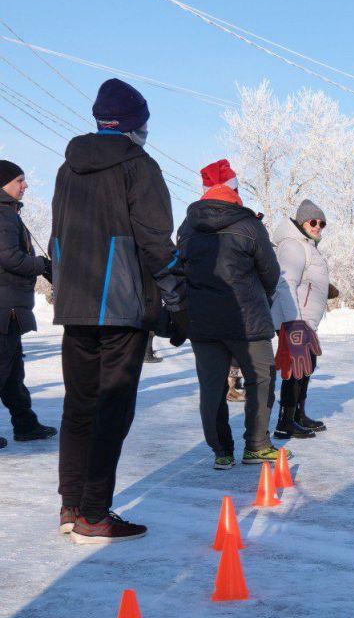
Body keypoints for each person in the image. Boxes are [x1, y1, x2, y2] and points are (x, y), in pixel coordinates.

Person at [50, 78, 187, 544]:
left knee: (79, 406)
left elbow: (57, 235)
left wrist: (65, 288)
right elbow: (155, 242)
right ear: (135, 124)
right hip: (122, 306)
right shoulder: (139, 166)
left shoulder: (68, 169)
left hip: (76, 304)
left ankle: (71, 506)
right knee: (112, 411)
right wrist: (176, 295)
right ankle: (93, 512)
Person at [177, 159, 288, 469]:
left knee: (211, 386)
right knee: (260, 379)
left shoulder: (187, 227)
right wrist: (261, 299)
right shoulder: (249, 224)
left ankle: (221, 450)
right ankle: (257, 445)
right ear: (234, 190)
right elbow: (271, 273)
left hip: (203, 322)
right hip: (247, 319)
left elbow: (179, 270)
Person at [0, 160, 55, 449]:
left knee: (11, 372)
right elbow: (8, 257)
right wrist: (41, 265)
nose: (25, 185)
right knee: (4, 369)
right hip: (4, 307)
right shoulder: (3, 215)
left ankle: (25, 423)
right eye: (19, 180)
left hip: (9, 306)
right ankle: (25, 423)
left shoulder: (9, 213)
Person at [270, 199, 336, 439]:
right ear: (301, 222)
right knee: (295, 369)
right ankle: (285, 422)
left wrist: (326, 288)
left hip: (304, 319)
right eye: (313, 222)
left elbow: (307, 280)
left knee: (306, 365)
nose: (318, 226)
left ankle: (298, 415)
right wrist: (294, 323)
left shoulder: (307, 245)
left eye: (322, 223)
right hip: (295, 319)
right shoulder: (293, 245)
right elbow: (285, 282)